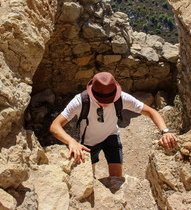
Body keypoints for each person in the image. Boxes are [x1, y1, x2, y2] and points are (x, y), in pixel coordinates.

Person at [49, 72, 177, 177]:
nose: (107, 103)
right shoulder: (81, 101)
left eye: (110, 99)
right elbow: (55, 126)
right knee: (89, 176)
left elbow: (151, 112)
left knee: (116, 178)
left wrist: (165, 131)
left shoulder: (120, 98)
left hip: (111, 136)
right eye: (103, 100)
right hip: (89, 142)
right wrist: (71, 141)